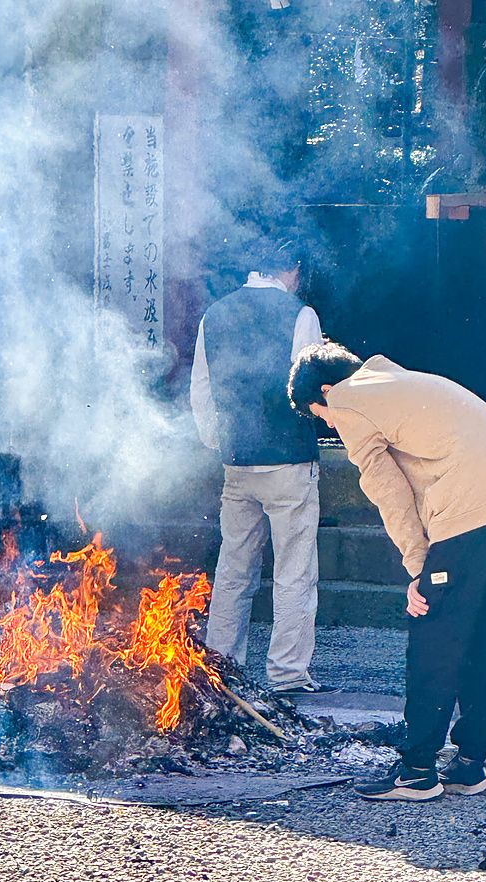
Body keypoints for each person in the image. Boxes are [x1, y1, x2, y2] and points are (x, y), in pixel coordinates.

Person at [288, 342, 486, 800]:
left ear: (325, 390)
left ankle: (418, 769)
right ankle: (470, 764)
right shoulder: (396, 382)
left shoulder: (347, 398)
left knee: (434, 627)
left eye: (320, 416)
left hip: (472, 499)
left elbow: (389, 492)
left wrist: (419, 568)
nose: (330, 425)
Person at [191, 239, 336, 695]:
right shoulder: (301, 314)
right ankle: (288, 672)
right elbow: (308, 388)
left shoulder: (214, 315)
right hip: (289, 462)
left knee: (234, 569)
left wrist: (220, 442)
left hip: (238, 463)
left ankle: (221, 666)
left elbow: (201, 389)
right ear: (293, 270)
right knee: (294, 570)